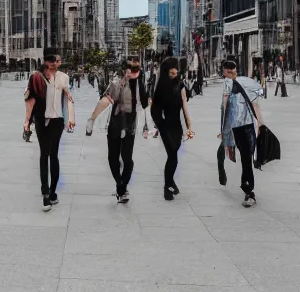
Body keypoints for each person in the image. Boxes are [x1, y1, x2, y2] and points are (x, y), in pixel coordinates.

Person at [86, 56, 150, 203]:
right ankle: (120, 185)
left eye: (137, 69)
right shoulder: (116, 83)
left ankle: (122, 187)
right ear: (125, 69)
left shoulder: (140, 83)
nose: (135, 72)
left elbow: (145, 103)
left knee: (127, 159)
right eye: (131, 69)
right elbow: (105, 101)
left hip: (130, 124)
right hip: (116, 122)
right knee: (113, 157)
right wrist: (92, 119)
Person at [23, 49, 75, 211]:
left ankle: (53, 191)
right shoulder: (36, 77)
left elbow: (68, 99)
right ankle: (45, 193)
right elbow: (30, 100)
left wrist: (71, 118)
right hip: (42, 121)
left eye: (58, 60)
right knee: (44, 154)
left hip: (57, 121)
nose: (55, 63)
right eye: (52, 60)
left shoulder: (64, 77)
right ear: (45, 61)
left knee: (54, 155)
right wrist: (26, 122)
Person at [220, 60, 265, 207]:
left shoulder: (244, 83)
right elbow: (225, 108)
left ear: (230, 71)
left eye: (225, 72)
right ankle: (247, 189)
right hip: (237, 128)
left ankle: (248, 190)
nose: (224, 74)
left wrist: (260, 123)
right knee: (244, 157)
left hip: (246, 127)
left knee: (246, 157)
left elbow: (254, 103)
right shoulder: (228, 84)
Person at [150, 58, 194, 201]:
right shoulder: (161, 86)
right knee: (172, 155)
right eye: (172, 68)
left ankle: (171, 182)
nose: (175, 70)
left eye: (176, 68)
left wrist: (189, 126)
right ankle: (167, 187)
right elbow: (154, 108)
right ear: (166, 70)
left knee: (174, 154)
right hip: (165, 125)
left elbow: (185, 107)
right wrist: (159, 124)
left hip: (177, 126)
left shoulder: (180, 85)